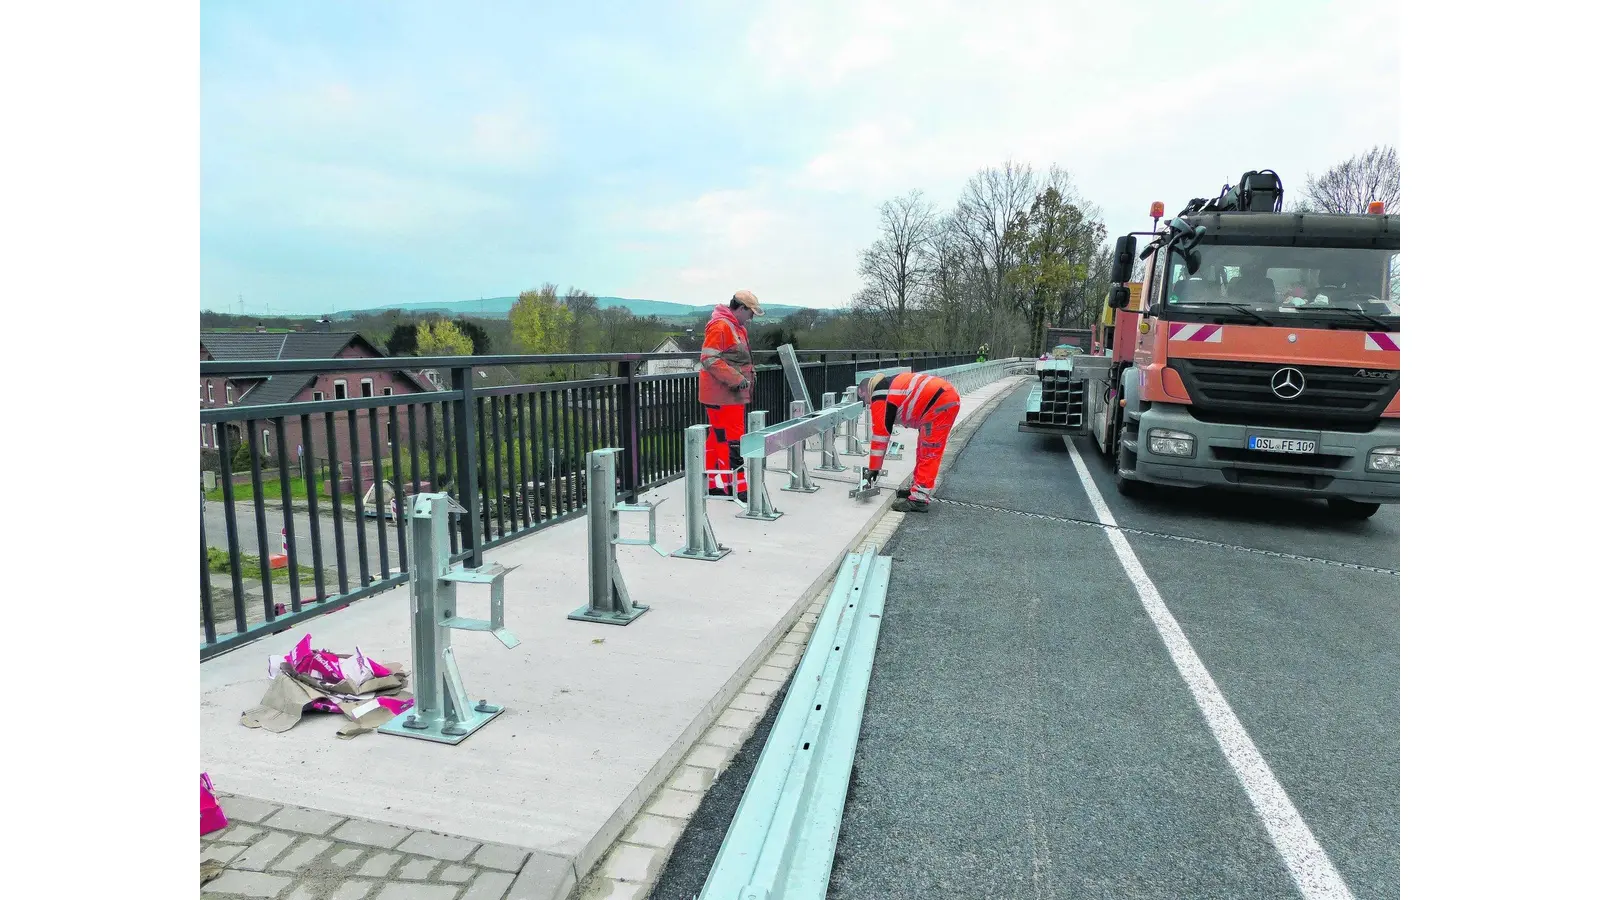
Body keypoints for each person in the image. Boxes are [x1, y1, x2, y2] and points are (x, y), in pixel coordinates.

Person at [858, 370, 961, 513]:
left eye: (865, 400)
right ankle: (916, 489)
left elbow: (880, 436)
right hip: (939, 399)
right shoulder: (888, 385)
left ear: (864, 391)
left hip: (940, 403)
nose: (867, 404)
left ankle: (919, 499)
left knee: (929, 452)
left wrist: (874, 468)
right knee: (923, 448)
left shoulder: (879, 394)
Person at [699, 290, 763, 500]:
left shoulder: (733, 326)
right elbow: (710, 359)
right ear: (741, 308)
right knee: (732, 439)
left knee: (718, 438)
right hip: (725, 395)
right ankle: (737, 488)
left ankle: (717, 484)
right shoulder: (722, 326)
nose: (752, 317)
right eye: (751, 312)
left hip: (725, 394)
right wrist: (737, 379)